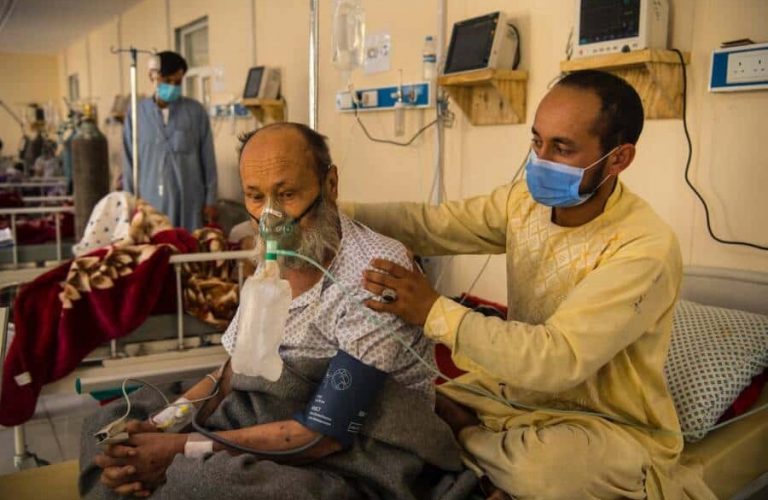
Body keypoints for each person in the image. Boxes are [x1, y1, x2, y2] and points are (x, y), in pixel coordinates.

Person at [346, 70, 715, 499]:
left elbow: (558, 359)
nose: (540, 160)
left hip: (601, 425)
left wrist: (432, 311)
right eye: (536, 141)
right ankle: (481, 446)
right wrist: (336, 211)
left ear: (618, 159)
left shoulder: (642, 247)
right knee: (386, 397)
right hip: (509, 397)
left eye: (562, 148)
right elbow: (431, 225)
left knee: (549, 472)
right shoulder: (523, 203)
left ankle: (467, 438)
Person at [80, 123, 474, 499]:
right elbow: (232, 372)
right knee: (110, 428)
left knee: (204, 482)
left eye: (286, 195)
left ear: (330, 185)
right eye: (255, 196)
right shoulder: (272, 260)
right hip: (267, 416)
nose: (271, 218)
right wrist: (164, 424)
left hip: (357, 448)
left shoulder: (376, 273)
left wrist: (179, 449)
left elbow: (326, 432)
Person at [122, 50, 218, 232]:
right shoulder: (136, 114)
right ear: (153, 76)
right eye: (167, 81)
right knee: (157, 251)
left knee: (190, 251)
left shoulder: (195, 112)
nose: (173, 86)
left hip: (190, 202)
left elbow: (208, 159)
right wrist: (129, 201)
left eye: (178, 82)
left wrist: (211, 200)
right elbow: (129, 162)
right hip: (151, 203)